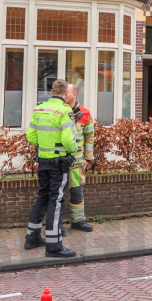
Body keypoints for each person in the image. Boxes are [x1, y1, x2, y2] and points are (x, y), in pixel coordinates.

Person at [24, 79, 77, 258]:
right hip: (58, 162)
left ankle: (32, 237)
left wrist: (44, 145)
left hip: (43, 160)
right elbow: (69, 140)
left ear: (52, 91)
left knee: (43, 196)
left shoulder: (39, 108)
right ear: (66, 94)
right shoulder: (65, 110)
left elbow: (31, 136)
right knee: (56, 200)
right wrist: (73, 150)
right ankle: (54, 245)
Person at [64, 83, 94, 232]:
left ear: (74, 94)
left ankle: (78, 221)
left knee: (77, 193)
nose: (63, 95)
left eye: (66, 92)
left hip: (77, 163)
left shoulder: (86, 113)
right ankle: (56, 225)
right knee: (58, 194)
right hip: (60, 161)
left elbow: (89, 137)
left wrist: (87, 158)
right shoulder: (60, 111)